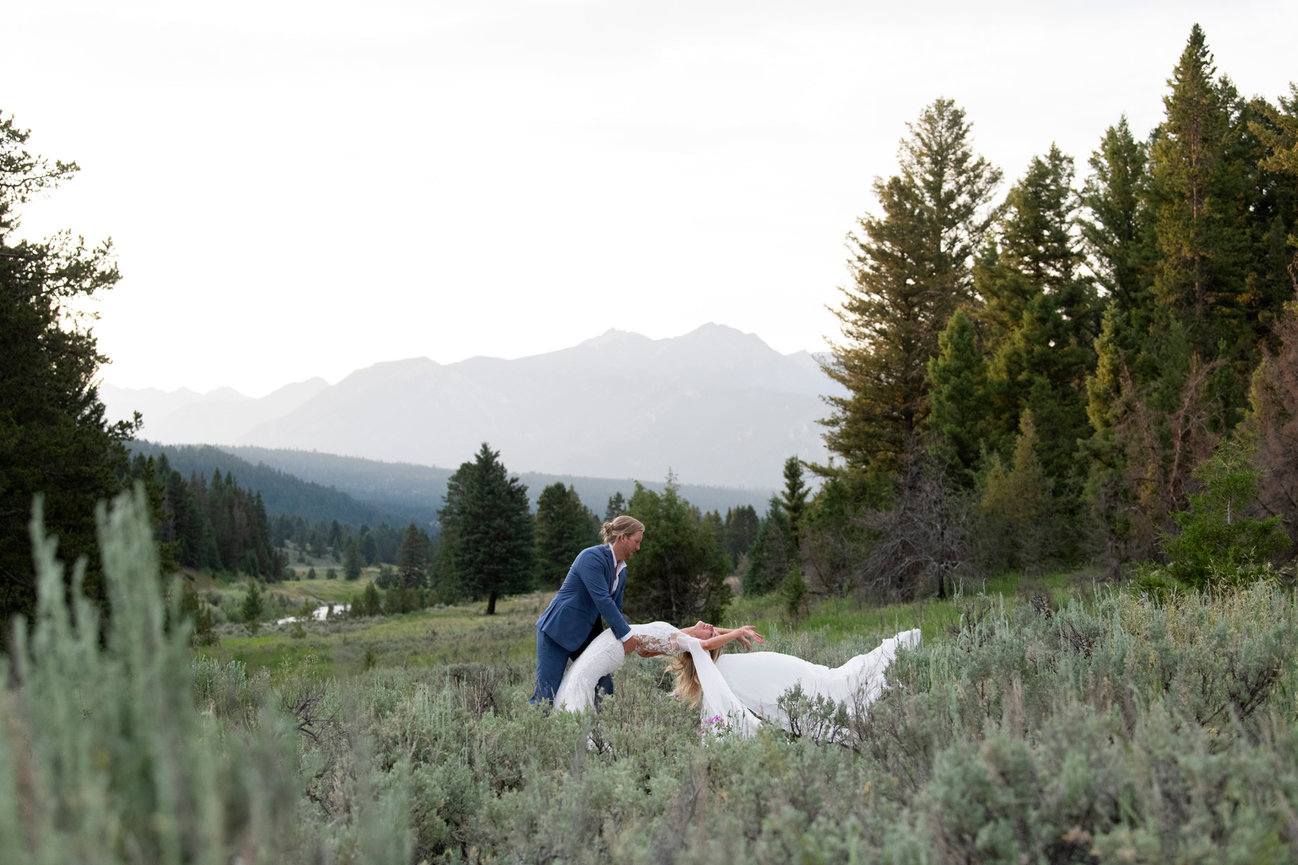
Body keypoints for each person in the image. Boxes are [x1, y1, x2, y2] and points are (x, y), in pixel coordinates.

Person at [667, 627, 922, 740]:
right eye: (707, 629)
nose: (709, 627)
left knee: (825, 679)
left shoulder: (698, 646)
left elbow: (709, 637)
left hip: (778, 669)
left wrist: (732, 630)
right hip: (773, 678)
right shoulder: (700, 652)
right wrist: (737, 633)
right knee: (824, 687)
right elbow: (707, 642)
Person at [531, 515, 646, 706]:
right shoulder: (591, 558)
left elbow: (616, 610)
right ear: (623, 537)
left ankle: (599, 733)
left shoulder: (622, 572)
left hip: (586, 635)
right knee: (546, 694)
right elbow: (602, 600)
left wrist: (630, 638)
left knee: (604, 686)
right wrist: (626, 637)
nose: (638, 548)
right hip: (557, 631)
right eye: (636, 542)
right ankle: (534, 734)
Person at [551, 620, 763, 713]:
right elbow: (706, 634)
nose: (711, 627)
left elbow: (706, 643)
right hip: (607, 643)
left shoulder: (684, 641)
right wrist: (735, 630)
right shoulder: (679, 635)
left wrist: (736, 635)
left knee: (579, 682)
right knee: (576, 678)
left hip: (609, 647)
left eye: (712, 632)